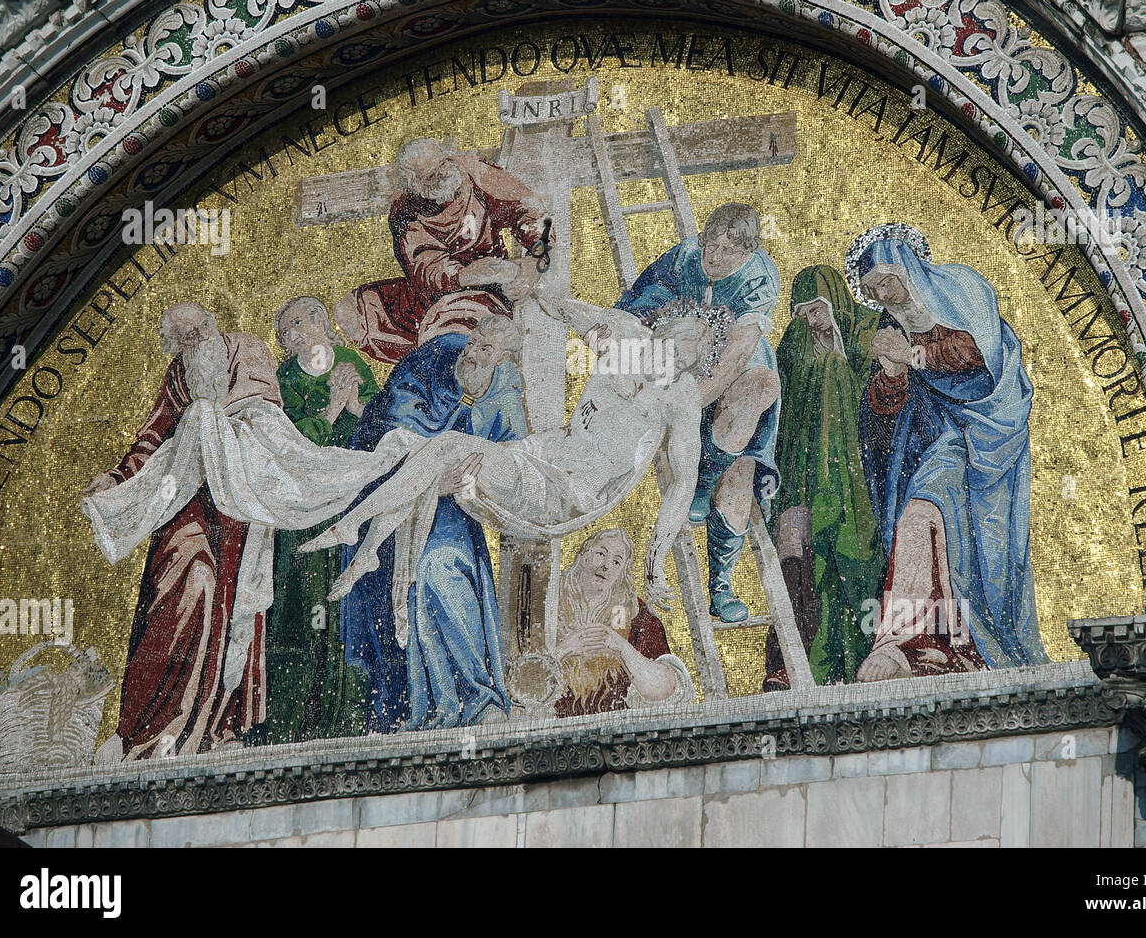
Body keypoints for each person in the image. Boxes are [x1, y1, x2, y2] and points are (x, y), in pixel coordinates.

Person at [301, 286, 733, 618]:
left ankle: (355, 527)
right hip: (540, 453)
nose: (672, 358)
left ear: (692, 366)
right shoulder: (622, 332)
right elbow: (564, 308)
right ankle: (366, 542)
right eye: (673, 343)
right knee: (431, 451)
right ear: (662, 330)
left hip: (563, 492)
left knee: (446, 447)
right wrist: (530, 287)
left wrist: (655, 559)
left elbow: (684, 482)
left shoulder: (681, 398)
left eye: (685, 357)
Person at [81, 302, 285, 759]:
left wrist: (209, 423)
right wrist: (117, 478)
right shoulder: (177, 377)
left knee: (235, 610)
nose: (198, 342)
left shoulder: (245, 350)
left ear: (214, 324)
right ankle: (149, 728)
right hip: (185, 501)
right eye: (187, 338)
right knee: (186, 582)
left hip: (239, 503)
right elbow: (152, 439)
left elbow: (260, 408)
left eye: (202, 330)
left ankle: (218, 729)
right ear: (174, 345)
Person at [847, 224, 1048, 680]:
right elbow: (884, 408)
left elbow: (981, 349)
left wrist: (914, 354)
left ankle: (971, 647)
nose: (885, 295)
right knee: (918, 514)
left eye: (887, 281)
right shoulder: (890, 326)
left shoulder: (960, 286)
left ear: (907, 267)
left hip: (990, 434)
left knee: (987, 555)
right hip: (938, 441)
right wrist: (891, 373)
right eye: (874, 290)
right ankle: (906, 642)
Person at [337, 315, 528, 732]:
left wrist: (474, 486)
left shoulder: (506, 394)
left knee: (437, 569)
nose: (473, 352)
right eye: (475, 341)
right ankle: (402, 709)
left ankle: (473, 699)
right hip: (388, 498)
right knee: (386, 597)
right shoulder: (433, 360)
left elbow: (514, 462)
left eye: (487, 349)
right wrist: (426, 481)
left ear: (504, 359)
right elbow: (388, 433)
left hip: (453, 510)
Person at [610, 203, 781, 623]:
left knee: (740, 462)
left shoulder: (759, 278)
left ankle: (720, 583)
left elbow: (739, 353)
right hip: (680, 363)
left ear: (748, 254)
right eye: (712, 246)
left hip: (728, 377)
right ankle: (702, 478)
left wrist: (697, 399)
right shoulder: (684, 257)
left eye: (729, 252)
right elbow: (633, 311)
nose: (716, 258)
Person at [255, 296, 379, 744]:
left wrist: (351, 408)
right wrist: (331, 407)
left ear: (323, 321)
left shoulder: (353, 363)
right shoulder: (283, 379)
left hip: (352, 498)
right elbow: (292, 441)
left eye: (299, 321)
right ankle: (289, 722)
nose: (293, 333)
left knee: (349, 609)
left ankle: (346, 719)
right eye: (285, 330)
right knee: (303, 608)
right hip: (303, 507)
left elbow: (379, 428)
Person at [764, 265, 885, 690]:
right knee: (793, 556)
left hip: (857, 482)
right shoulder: (793, 349)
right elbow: (777, 405)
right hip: (798, 477)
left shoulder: (864, 334)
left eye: (816, 309)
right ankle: (789, 662)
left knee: (848, 559)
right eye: (800, 313)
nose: (810, 321)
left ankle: (862, 659)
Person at [334, 138, 550, 364]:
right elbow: (426, 265)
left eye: (443, 163)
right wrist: (464, 275)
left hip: (488, 289)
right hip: (431, 293)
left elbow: (527, 208)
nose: (443, 173)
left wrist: (535, 260)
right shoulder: (405, 211)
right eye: (431, 175)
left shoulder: (474, 171)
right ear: (414, 185)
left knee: (456, 335)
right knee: (350, 311)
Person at [554, 528, 693, 716]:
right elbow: (522, 683)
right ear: (584, 555)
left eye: (616, 562)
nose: (605, 566)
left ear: (622, 572)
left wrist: (620, 646)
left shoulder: (635, 614)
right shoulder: (549, 603)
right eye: (601, 554)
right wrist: (564, 649)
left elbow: (666, 689)